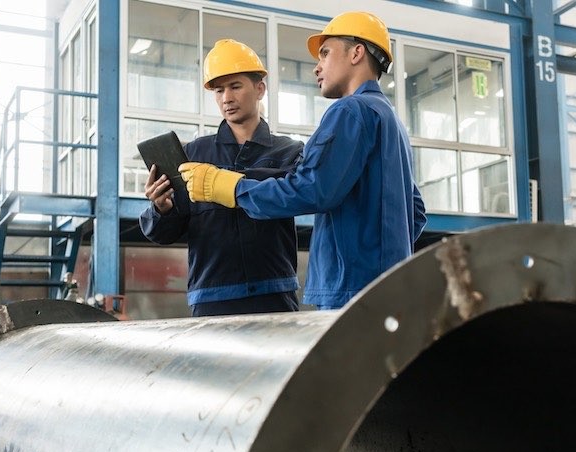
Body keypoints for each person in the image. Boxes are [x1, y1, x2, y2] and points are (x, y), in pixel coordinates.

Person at [179, 12, 427, 309]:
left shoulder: (349, 112)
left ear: (357, 53)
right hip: (389, 288)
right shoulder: (390, 121)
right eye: (218, 90)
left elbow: (312, 188)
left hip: (350, 292)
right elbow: (416, 211)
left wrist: (229, 186)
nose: (317, 67)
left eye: (325, 53)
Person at [139, 39, 304, 316]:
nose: (226, 98)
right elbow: (162, 233)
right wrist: (161, 208)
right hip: (212, 297)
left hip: (273, 293)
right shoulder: (192, 154)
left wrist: (225, 180)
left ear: (260, 89)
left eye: (235, 86)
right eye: (218, 90)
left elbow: (297, 198)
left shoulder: (289, 152)